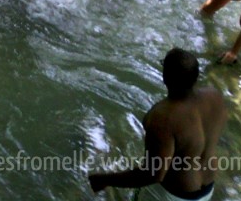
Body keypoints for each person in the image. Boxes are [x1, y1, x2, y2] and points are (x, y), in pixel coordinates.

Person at [88, 48, 227, 201]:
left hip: (176, 195)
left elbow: (153, 173)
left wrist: (104, 180)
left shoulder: (162, 118)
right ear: (195, 76)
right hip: (208, 187)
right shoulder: (214, 96)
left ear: (165, 77)